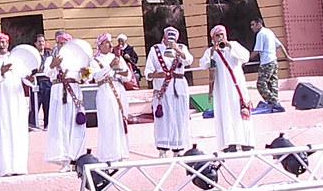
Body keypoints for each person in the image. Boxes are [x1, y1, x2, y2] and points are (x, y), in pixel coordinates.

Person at [199, 25, 254, 152]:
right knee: (226, 114)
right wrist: (213, 50)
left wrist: (229, 45)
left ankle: (246, 142)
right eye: (217, 36)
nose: (220, 37)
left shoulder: (233, 45)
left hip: (237, 86)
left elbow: (246, 56)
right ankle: (231, 144)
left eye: (222, 34)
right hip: (222, 89)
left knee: (241, 112)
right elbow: (203, 64)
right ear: (212, 38)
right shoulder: (211, 51)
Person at [144, 27, 194, 156]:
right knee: (163, 118)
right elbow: (148, 72)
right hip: (163, 88)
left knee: (179, 116)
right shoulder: (155, 49)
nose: (170, 40)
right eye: (168, 37)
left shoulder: (181, 48)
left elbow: (189, 60)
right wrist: (157, 74)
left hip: (178, 88)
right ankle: (162, 148)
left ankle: (178, 148)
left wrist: (176, 48)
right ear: (164, 37)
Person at [44, 31, 87, 172]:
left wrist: (84, 72)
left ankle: (76, 158)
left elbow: (86, 77)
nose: (62, 45)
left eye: (64, 43)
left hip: (74, 91)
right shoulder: (52, 58)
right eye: (60, 43)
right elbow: (46, 73)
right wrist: (53, 65)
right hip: (58, 92)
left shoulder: (77, 58)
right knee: (61, 125)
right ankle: (64, 161)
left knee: (75, 125)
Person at [0, 33, 29, 176]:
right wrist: (1, 72)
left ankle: (20, 167)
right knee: (4, 130)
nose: (2, 44)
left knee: (19, 130)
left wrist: (29, 77)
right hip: (2, 99)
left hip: (16, 97)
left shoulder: (17, 58)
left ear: (8, 43)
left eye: (4, 42)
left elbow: (26, 77)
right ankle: (6, 169)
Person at [90, 33, 132, 163]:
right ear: (100, 45)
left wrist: (123, 72)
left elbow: (128, 77)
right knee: (108, 121)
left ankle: (121, 152)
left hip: (119, 89)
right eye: (107, 42)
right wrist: (110, 66)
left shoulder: (117, 57)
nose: (110, 44)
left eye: (110, 42)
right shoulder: (95, 60)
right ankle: (109, 154)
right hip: (105, 91)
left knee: (120, 120)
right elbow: (96, 77)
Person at [250, 17, 292, 110]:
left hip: (266, 62)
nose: (251, 27)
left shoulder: (260, 34)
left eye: (253, 24)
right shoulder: (269, 32)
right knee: (273, 85)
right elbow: (280, 45)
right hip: (274, 61)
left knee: (261, 84)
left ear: (258, 24)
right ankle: (276, 104)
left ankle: (274, 102)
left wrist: (246, 59)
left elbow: (257, 50)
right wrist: (287, 56)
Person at [28, 33, 52, 130]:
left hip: (47, 82)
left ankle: (48, 124)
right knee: (35, 104)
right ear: (35, 43)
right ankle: (32, 124)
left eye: (42, 41)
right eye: (39, 41)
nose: (41, 43)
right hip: (36, 81)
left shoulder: (49, 54)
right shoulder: (33, 54)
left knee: (48, 104)